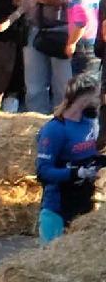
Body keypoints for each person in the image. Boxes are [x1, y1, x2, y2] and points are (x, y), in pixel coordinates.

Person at [39, 73, 104, 241]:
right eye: (97, 96)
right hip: (57, 208)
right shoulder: (55, 129)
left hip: (83, 206)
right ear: (85, 99)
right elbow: (43, 172)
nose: (100, 100)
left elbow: (87, 155)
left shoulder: (90, 123)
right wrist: (76, 173)